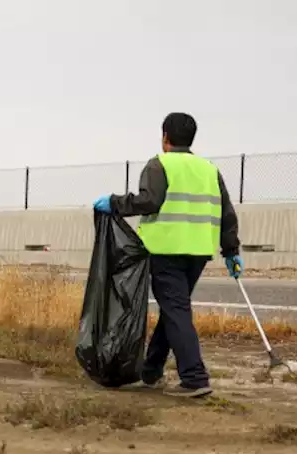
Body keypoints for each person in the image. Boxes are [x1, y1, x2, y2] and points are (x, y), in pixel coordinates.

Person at [95, 113, 241, 398]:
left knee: (176, 311)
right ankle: (151, 373)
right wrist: (231, 250)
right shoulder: (209, 169)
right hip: (198, 252)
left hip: (165, 251)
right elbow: (226, 212)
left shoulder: (158, 164)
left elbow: (149, 201)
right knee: (173, 310)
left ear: (165, 138)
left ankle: (195, 378)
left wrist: (114, 203)